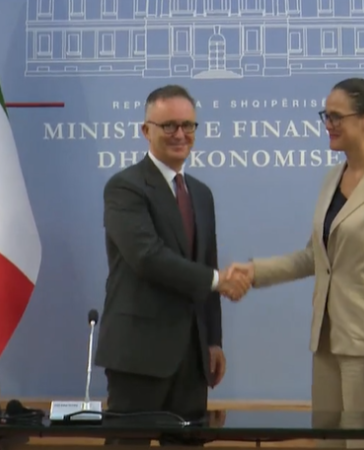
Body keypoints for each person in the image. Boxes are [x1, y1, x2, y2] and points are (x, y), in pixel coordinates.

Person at [230, 76, 364, 449]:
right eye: (326, 116)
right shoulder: (332, 178)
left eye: (337, 116)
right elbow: (315, 257)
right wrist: (255, 272)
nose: (328, 124)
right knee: (328, 443)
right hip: (328, 341)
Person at [95, 85, 250, 446]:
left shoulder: (201, 193)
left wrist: (213, 340)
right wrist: (218, 280)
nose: (180, 134)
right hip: (138, 355)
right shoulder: (125, 188)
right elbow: (147, 257)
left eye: (188, 125)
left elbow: (205, 262)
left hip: (192, 358)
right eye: (168, 126)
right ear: (145, 130)